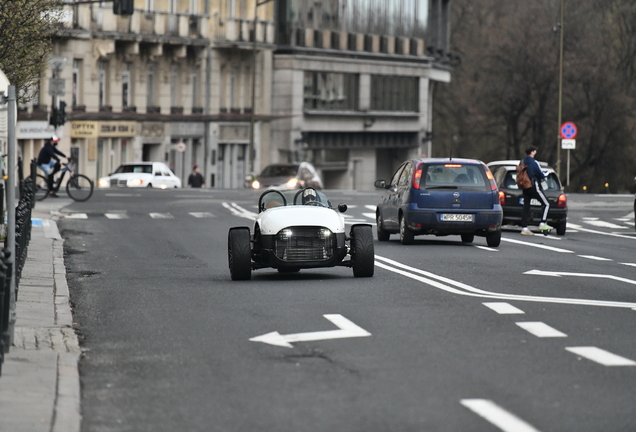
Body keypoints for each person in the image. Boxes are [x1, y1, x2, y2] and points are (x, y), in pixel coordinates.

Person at [520, 145, 551, 235]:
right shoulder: (534, 162)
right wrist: (547, 173)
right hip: (533, 185)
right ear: (532, 152)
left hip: (524, 186)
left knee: (526, 206)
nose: (535, 153)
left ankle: (524, 228)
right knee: (546, 204)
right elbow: (540, 174)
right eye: (535, 151)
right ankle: (542, 223)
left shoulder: (522, 162)